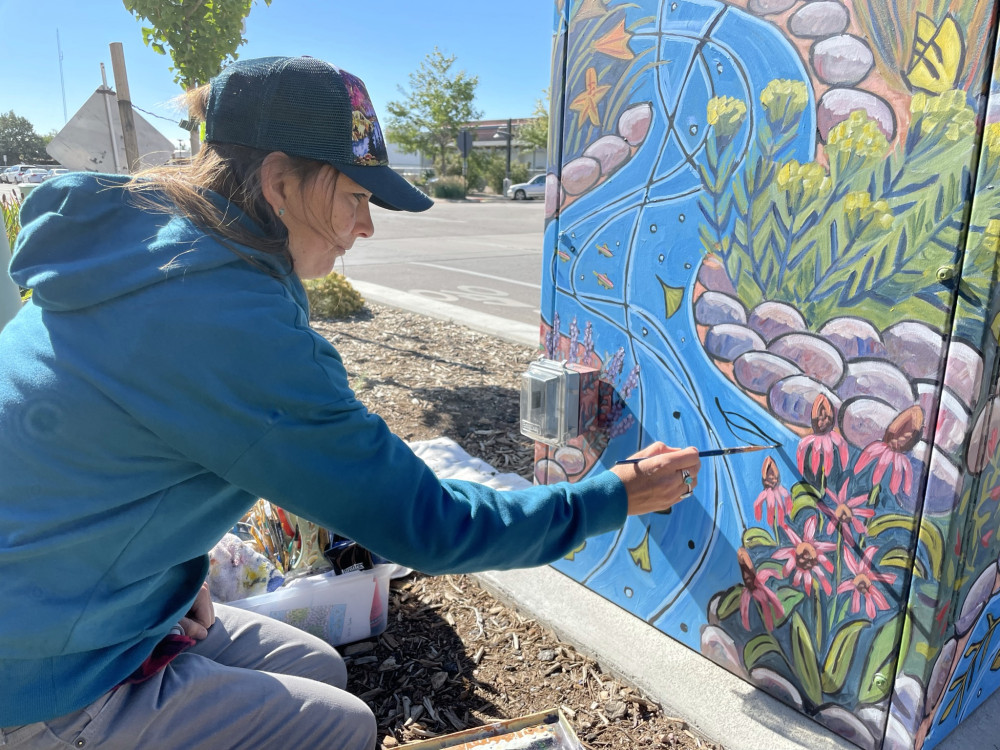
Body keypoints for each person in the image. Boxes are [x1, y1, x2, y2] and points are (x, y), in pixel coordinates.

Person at [0, 56, 700, 750]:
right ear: (279, 182)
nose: (366, 226)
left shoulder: (141, 250)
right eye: (356, 197)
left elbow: (89, 458)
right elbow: (426, 525)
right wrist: (610, 498)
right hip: (39, 676)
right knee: (343, 728)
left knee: (315, 664)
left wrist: (174, 578)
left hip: (62, 598)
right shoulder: (224, 319)